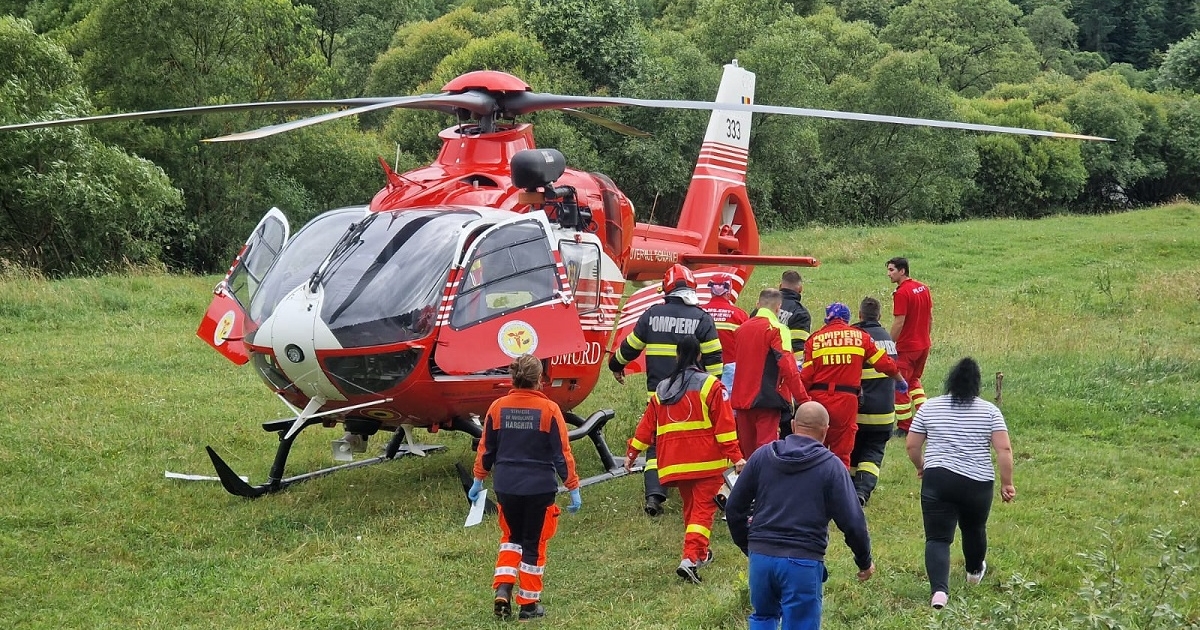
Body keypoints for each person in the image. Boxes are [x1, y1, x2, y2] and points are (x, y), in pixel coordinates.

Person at [726, 401, 875, 629]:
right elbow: (853, 522)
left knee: (763, 616)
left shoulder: (762, 456)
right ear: (825, 431)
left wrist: (749, 545)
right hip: (803, 560)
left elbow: (734, 507)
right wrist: (864, 561)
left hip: (761, 557)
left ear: (793, 425)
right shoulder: (832, 467)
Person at [623, 336, 747, 583]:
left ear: (677, 356)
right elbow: (724, 427)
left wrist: (631, 454)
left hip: (674, 465)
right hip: (706, 463)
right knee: (702, 513)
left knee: (692, 511)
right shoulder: (711, 386)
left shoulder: (662, 389)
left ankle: (701, 553)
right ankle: (690, 559)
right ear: (699, 356)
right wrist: (737, 458)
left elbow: (647, 426)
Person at [471, 354, 582, 621]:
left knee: (511, 539)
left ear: (513, 377)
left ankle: (503, 589)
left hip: (506, 487)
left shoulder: (497, 408)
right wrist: (573, 487)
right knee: (532, 543)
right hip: (539, 489)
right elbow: (561, 454)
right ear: (540, 380)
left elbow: (486, 448)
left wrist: (478, 480)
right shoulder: (550, 410)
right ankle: (528, 607)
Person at [610, 263, 722, 516]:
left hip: (659, 395)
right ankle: (694, 489)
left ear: (666, 290)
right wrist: (715, 395)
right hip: (695, 396)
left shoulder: (651, 315)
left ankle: (654, 496)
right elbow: (715, 360)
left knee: (656, 445)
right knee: (694, 440)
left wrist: (615, 365)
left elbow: (629, 347)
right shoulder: (702, 318)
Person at [906, 357, 1015, 610]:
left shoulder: (930, 407)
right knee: (974, 528)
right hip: (977, 482)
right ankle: (974, 572)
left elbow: (912, 445)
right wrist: (1007, 483)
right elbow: (1004, 449)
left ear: (950, 381)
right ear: (977, 384)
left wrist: (921, 466)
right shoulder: (990, 411)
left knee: (937, 539)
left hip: (938, 479)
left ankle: (939, 594)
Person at [800, 302, 906, 469]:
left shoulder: (814, 339)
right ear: (847, 318)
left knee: (813, 447)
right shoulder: (860, 337)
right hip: (846, 402)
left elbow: (805, 377)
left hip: (818, 400)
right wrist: (899, 379)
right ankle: (839, 488)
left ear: (827, 318)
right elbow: (884, 363)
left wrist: (800, 400)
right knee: (842, 451)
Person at [731, 289, 810, 459]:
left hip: (741, 400)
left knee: (747, 455)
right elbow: (788, 367)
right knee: (767, 454)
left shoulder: (741, 330)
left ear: (758, 304)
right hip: (766, 400)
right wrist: (803, 400)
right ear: (778, 307)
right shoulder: (777, 329)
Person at [850, 296, 898, 506]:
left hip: (858, 411)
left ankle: (850, 490)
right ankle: (861, 492)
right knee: (872, 453)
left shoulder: (855, 336)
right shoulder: (888, 339)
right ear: (879, 316)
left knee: (854, 451)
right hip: (884, 413)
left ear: (860, 315)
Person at [887, 257, 933, 437]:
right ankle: (927, 419)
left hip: (907, 348)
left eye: (892, 270)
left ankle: (905, 426)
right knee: (914, 382)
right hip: (923, 344)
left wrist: (890, 344)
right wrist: (926, 336)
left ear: (902, 271)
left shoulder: (901, 293)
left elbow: (899, 321)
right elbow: (930, 317)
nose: (888, 274)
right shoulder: (923, 288)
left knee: (900, 385)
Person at [701, 273, 749, 391]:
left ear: (711, 290)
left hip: (702, 371)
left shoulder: (699, 313)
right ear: (729, 291)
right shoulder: (740, 315)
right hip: (730, 374)